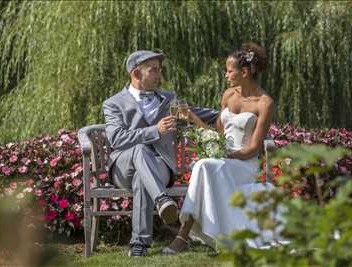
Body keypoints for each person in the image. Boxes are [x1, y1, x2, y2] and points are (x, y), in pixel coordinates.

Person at [162, 42, 278, 254]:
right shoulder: (228, 95)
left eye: (229, 70)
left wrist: (226, 154)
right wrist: (191, 116)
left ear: (244, 72)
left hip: (244, 164)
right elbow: (218, 135)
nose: (225, 75)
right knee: (204, 165)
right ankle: (184, 236)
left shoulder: (265, 103)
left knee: (204, 165)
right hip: (222, 160)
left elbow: (254, 149)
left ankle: (182, 236)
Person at [103, 50, 179, 257]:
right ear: (136, 73)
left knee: (142, 177)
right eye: (153, 70)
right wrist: (155, 131)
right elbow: (117, 138)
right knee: (139, 150)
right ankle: (162, 200)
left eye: (159, 70)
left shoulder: (169, 99)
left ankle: (139, 244)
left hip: (159, 166)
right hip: (123, 167)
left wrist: (235, 111)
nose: (158, 75)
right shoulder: (113, 103)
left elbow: (195, 113)